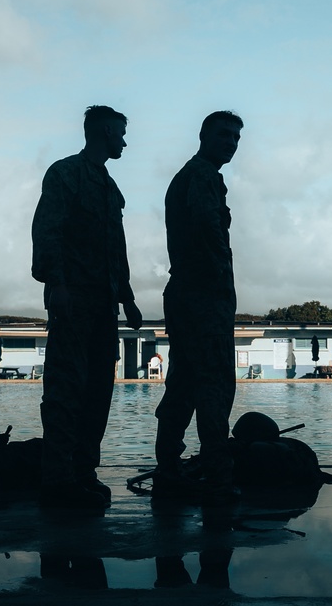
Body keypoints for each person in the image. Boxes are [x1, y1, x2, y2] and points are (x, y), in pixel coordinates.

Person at [31, 105, 143, 509]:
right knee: (66, 390)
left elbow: (117, 247)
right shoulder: (66, 173)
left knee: (99, 390)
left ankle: (84, 473)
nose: (125, 142)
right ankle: (58, 479)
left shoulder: (108, 187)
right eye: (122, 134)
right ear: (106, 131)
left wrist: (127, 297)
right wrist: (56, 283)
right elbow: (47, 229)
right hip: (74, 299)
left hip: (103, 305)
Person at [153, 110, 243, 502]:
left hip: (189, 296)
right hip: (204, 298)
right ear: (203, 135)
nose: (230, 142)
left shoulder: (192, 175)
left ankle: (169, 469)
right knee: (214, 387)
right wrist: (219, 293)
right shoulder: (202, 176)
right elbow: (210, 238)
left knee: (184, 384)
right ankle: (216, 475)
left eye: (235, 137)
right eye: (223, 134)